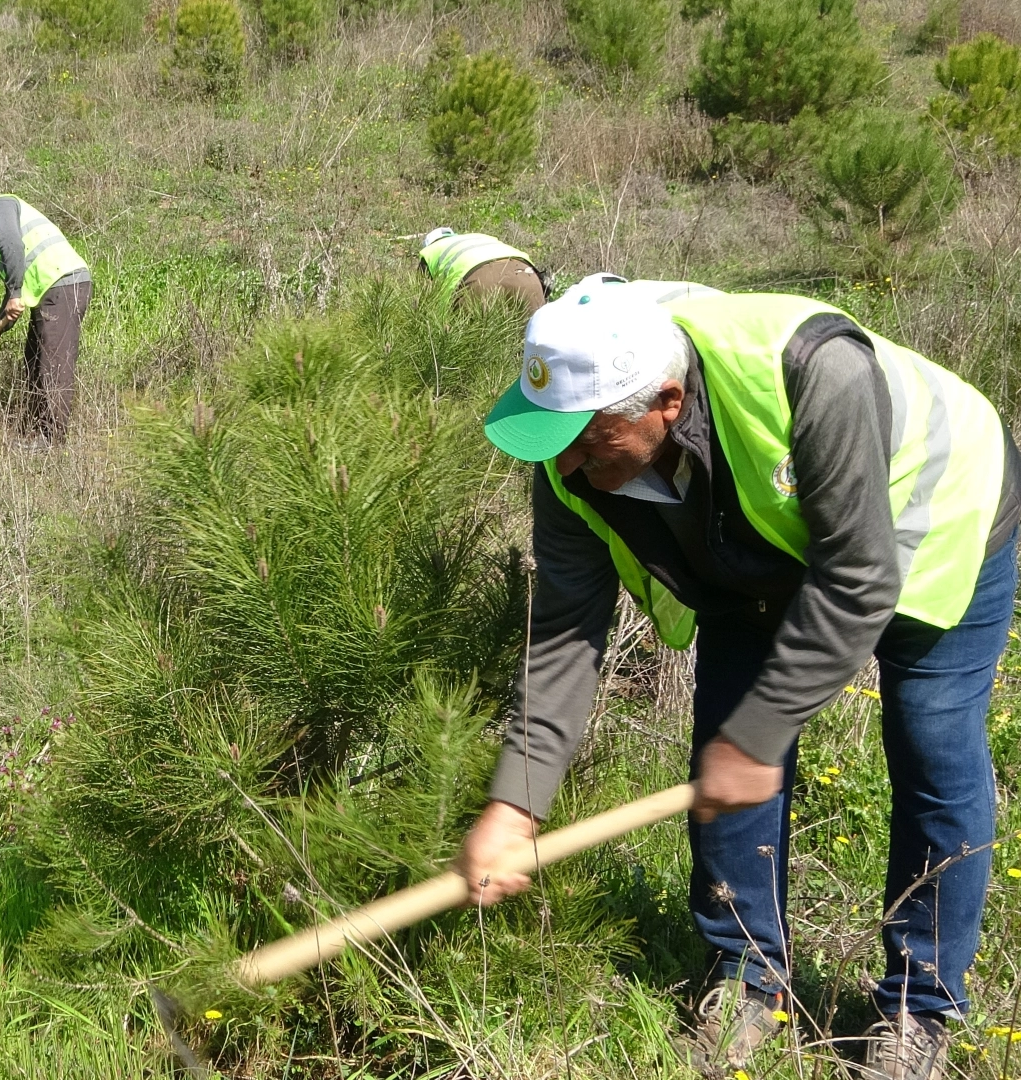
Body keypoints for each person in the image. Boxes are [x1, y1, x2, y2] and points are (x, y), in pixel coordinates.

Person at [460, 278, 1020, 1080]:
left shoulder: (811, 369)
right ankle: (750, 981)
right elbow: (562, 635)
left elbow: (858, 579)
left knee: (933, 745)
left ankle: (919, 1008)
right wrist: (516, 803)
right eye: (553, 438)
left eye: (588, 437)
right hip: (763, 551)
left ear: (664, 401)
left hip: (943, 512)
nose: (568, 463)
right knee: (725, 744)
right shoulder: (567, 461)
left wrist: (760, 737)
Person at [0, 192, 91, 448]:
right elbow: (12, 296)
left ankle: (51, 440)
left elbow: (13, 245)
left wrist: (16, 294)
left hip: (64, 283)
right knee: (34, 359)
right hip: (50, 290)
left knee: (53, 362)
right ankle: (34, 432)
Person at [418, 227, 547, 313]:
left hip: (479, 283)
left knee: (474, 350)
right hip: (525, 275)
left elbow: (423, 305)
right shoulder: (480, 237)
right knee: (534, 347)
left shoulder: (430, 252)